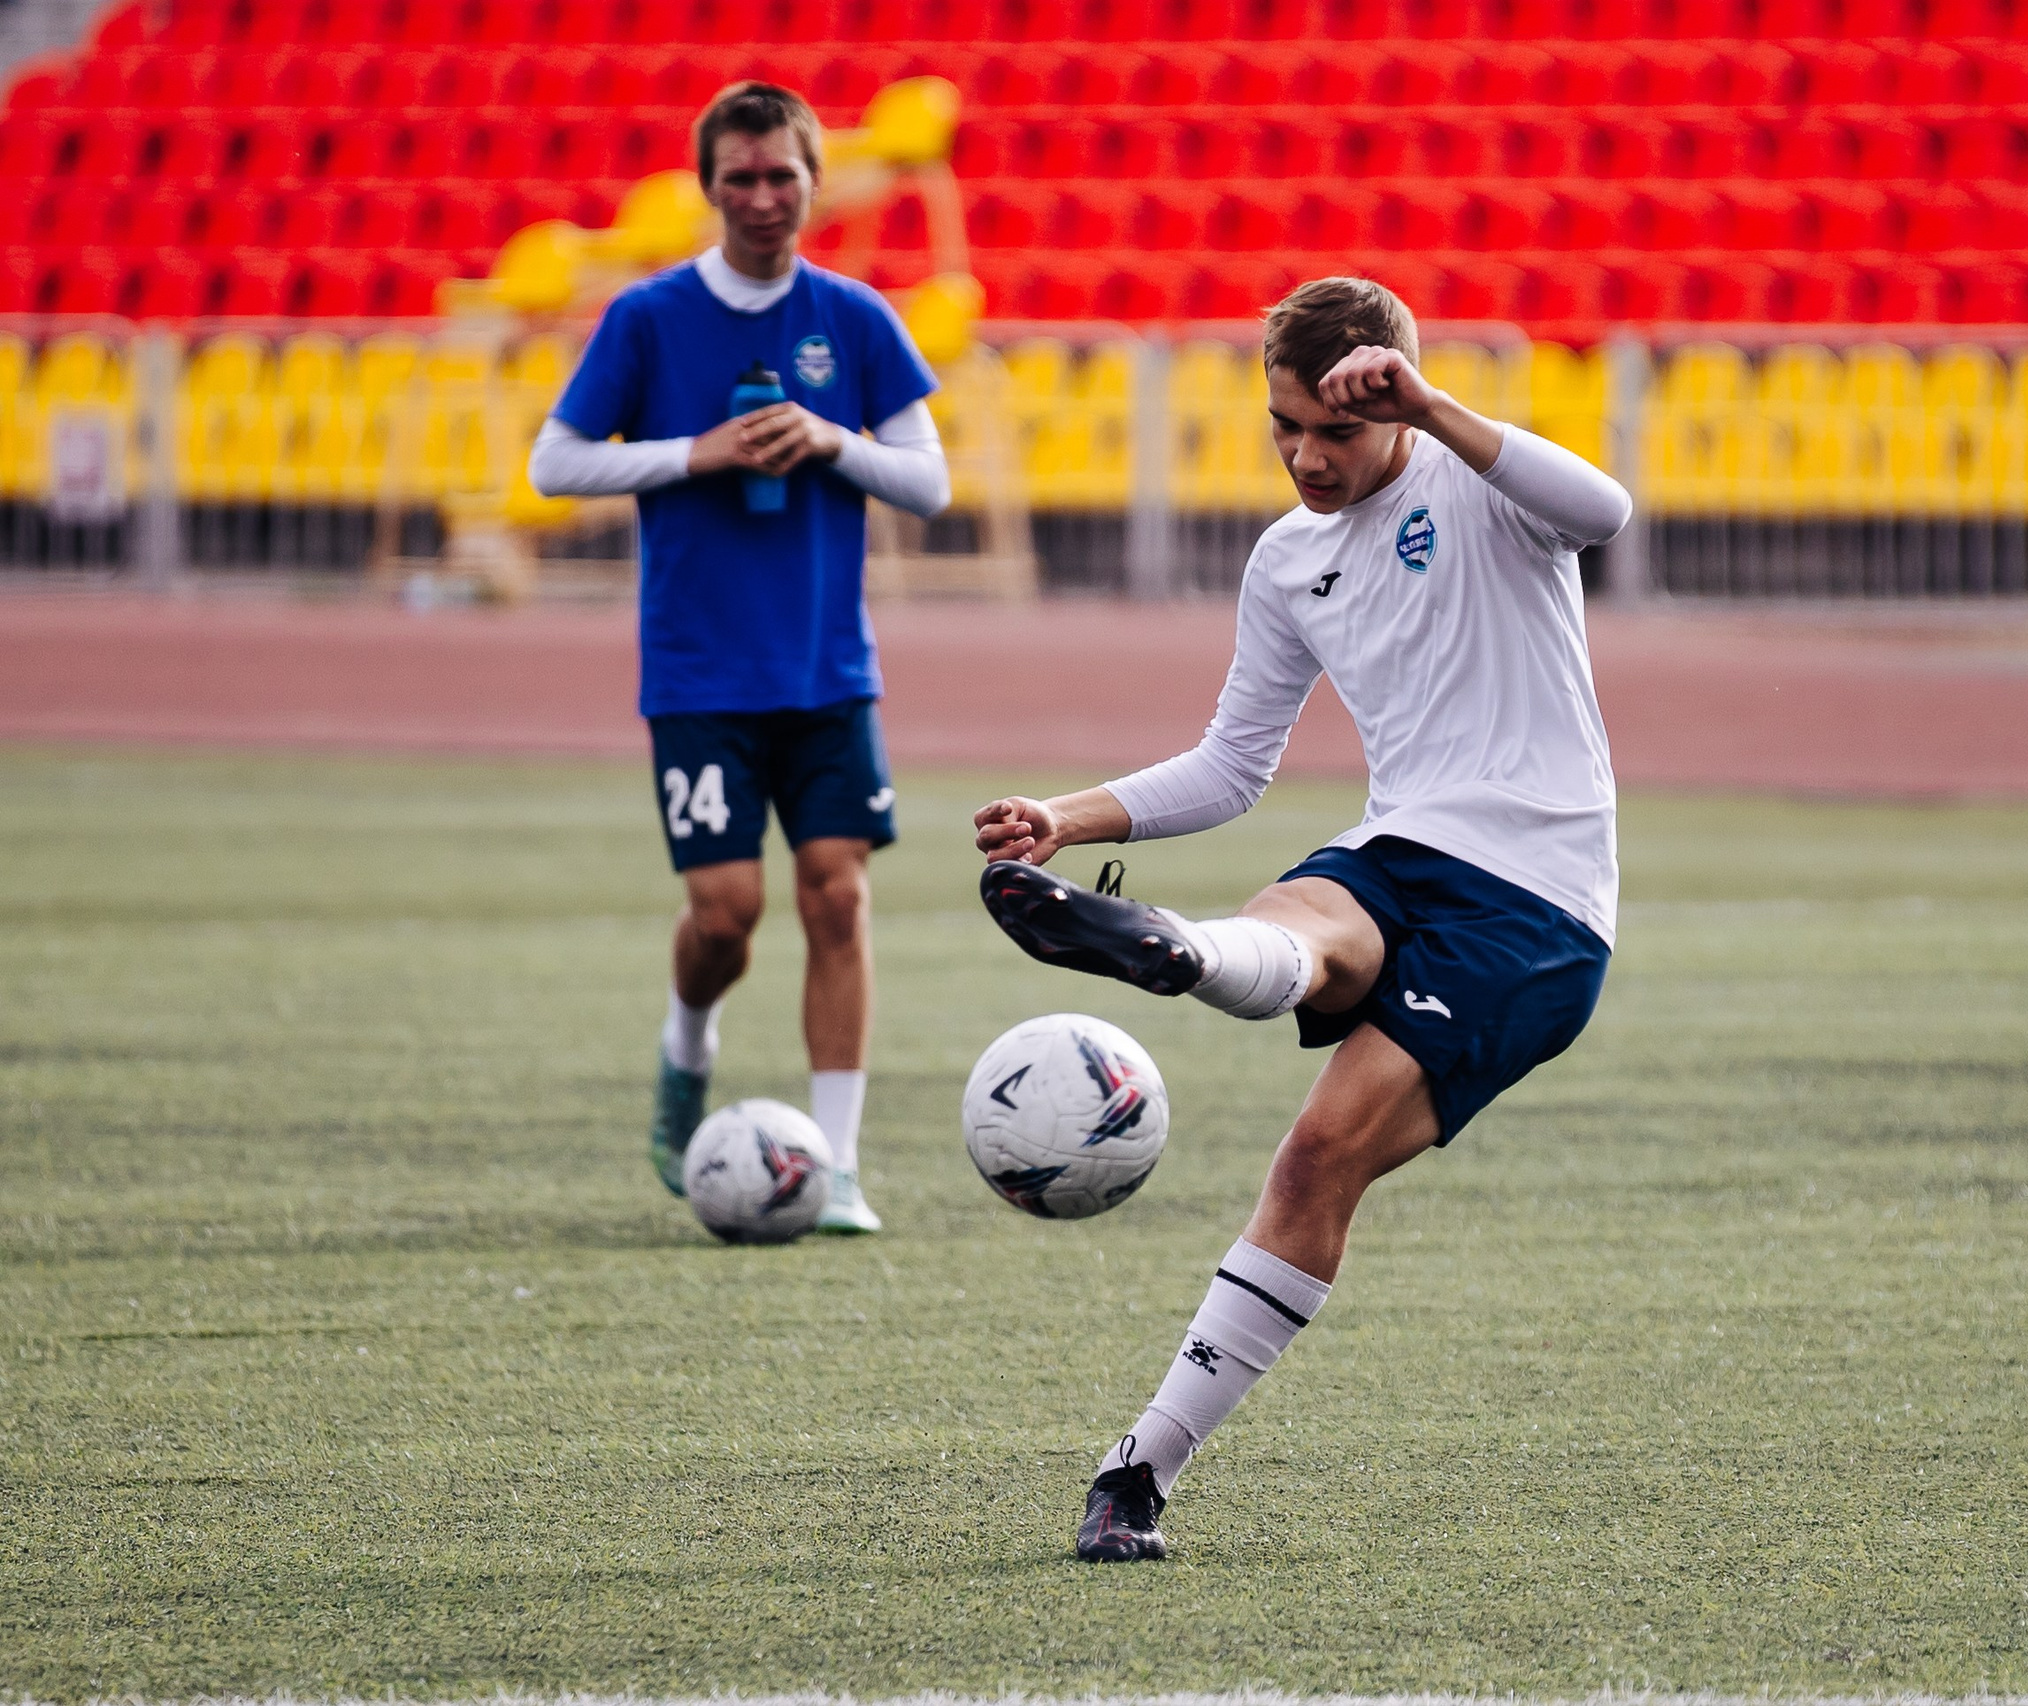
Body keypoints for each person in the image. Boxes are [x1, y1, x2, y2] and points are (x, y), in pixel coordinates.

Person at [970, 277, 1630, 1560]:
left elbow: (1602, 511)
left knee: (1316, 1155)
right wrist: (1067, 815)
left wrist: (1433, 407)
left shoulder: (1474, 481)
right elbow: (1231, 765)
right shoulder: (1288, 558)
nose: (1307, 456)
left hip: (1540, 904)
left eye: (1336, 430)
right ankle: (1183, 948)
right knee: (1311, 916)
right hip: (1403, 844)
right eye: (1286, 426)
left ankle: (1143, 1458)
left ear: (1391, 404)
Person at [530, 81, 949, 1234]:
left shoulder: (854, 317)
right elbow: (554, 464)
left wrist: (829, 438)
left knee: (838, 897)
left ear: (815, 181)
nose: (763, 198)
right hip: (700, 667)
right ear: (708, 185)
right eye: (741, 178)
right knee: (725, 912)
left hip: (827, 667)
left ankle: (841, 1167)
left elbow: (929, 479)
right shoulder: (649, 318)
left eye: (783, 176)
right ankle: (688, 1044)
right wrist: (693, 452)